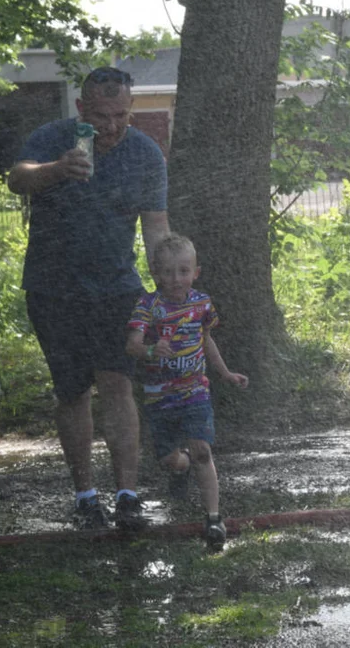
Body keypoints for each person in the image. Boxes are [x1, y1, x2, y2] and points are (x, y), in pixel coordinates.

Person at [7, 66, 169, 530]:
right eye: (100, 115)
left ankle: (128, 495)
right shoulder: (53, 137)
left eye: (120, 115)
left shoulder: (145, 153)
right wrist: (56, 170)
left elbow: (156, 227)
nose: (111, 126)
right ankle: (85, 496)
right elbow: (17, 178)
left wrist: (170, 291)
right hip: (52, 288)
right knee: (72, 391)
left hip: (117, 289)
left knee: (118, 385)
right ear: (81, 109)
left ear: (130, 109)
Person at [125, 234, 249, 550]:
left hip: (195, 391)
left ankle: (214, 518)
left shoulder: (201, 304)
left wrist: (225, 373)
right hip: (159, 397)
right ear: (155, 273)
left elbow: (206, 340)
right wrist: (152, 350)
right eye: (167, 272)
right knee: (172, 459)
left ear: (195, 272)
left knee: (202, 452)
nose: (175, 279)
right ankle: (179, 470)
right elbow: (132, 345)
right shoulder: (148, 306)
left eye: (183, 271)